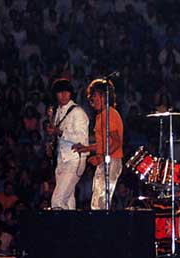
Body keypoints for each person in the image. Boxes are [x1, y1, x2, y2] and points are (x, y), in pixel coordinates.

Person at [73, 79, 124, 210]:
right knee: (97, 201)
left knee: (101, 203)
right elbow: (105, 143)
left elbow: (117, 142)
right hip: (107, 160)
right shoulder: (101, 116)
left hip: (111, 161)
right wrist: (86, 148)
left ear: (103, 96)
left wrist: (102, 157)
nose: (91, 100)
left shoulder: (109, 114)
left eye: (94, 96)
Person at [47, 78, 89, 210]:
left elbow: (82, 139)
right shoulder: (57, 112)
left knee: (57, 201)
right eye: (60, 92)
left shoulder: (78, 112)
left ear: (71, 93)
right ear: (55, 94)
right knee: (69, 200)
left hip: (74, 159)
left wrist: (60, 132)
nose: (64, 95)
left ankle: (59, 229)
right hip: (61, 159)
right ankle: (72, 229)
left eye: (67, 92)